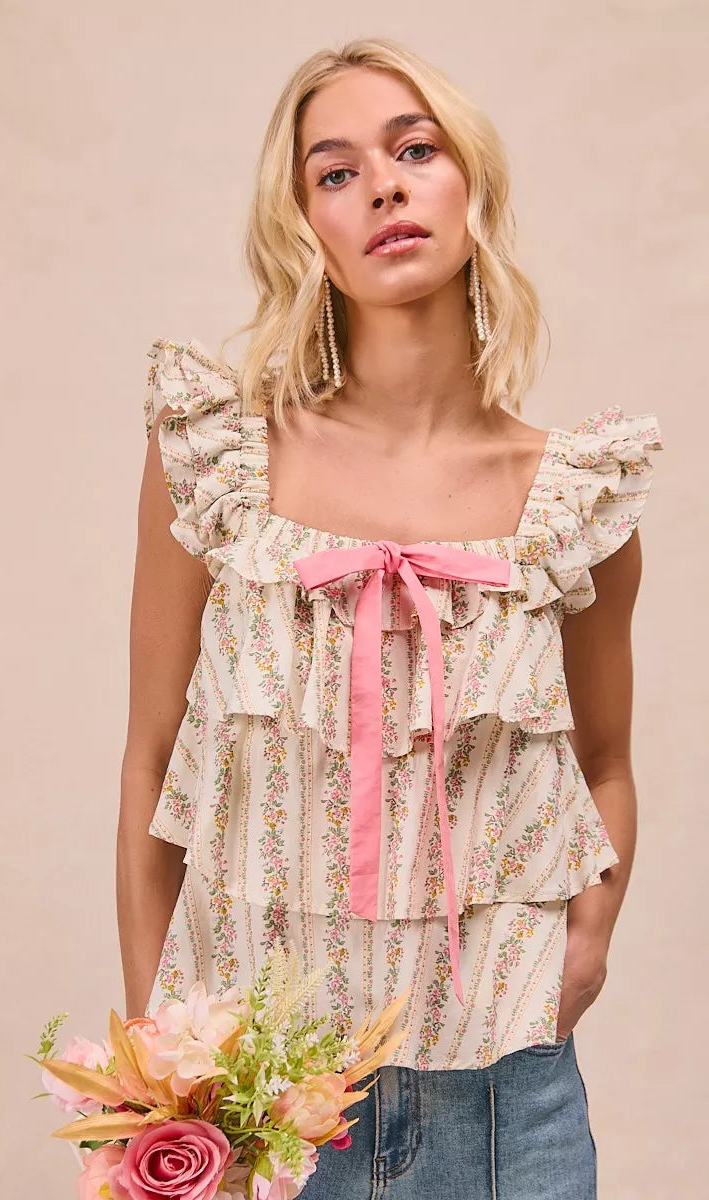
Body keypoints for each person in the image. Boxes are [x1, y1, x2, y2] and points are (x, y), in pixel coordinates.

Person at [117, 37, 663, 1200]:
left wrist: (585, 946)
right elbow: (153, 758)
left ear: (470, 182)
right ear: (303, 225)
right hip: (256, 1093)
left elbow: (605, 762)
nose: (381, 186)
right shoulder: (218, 463)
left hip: (505, 1104)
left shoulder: (570, 498)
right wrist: (162, 1074)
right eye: (335, 171)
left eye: (413, 150)